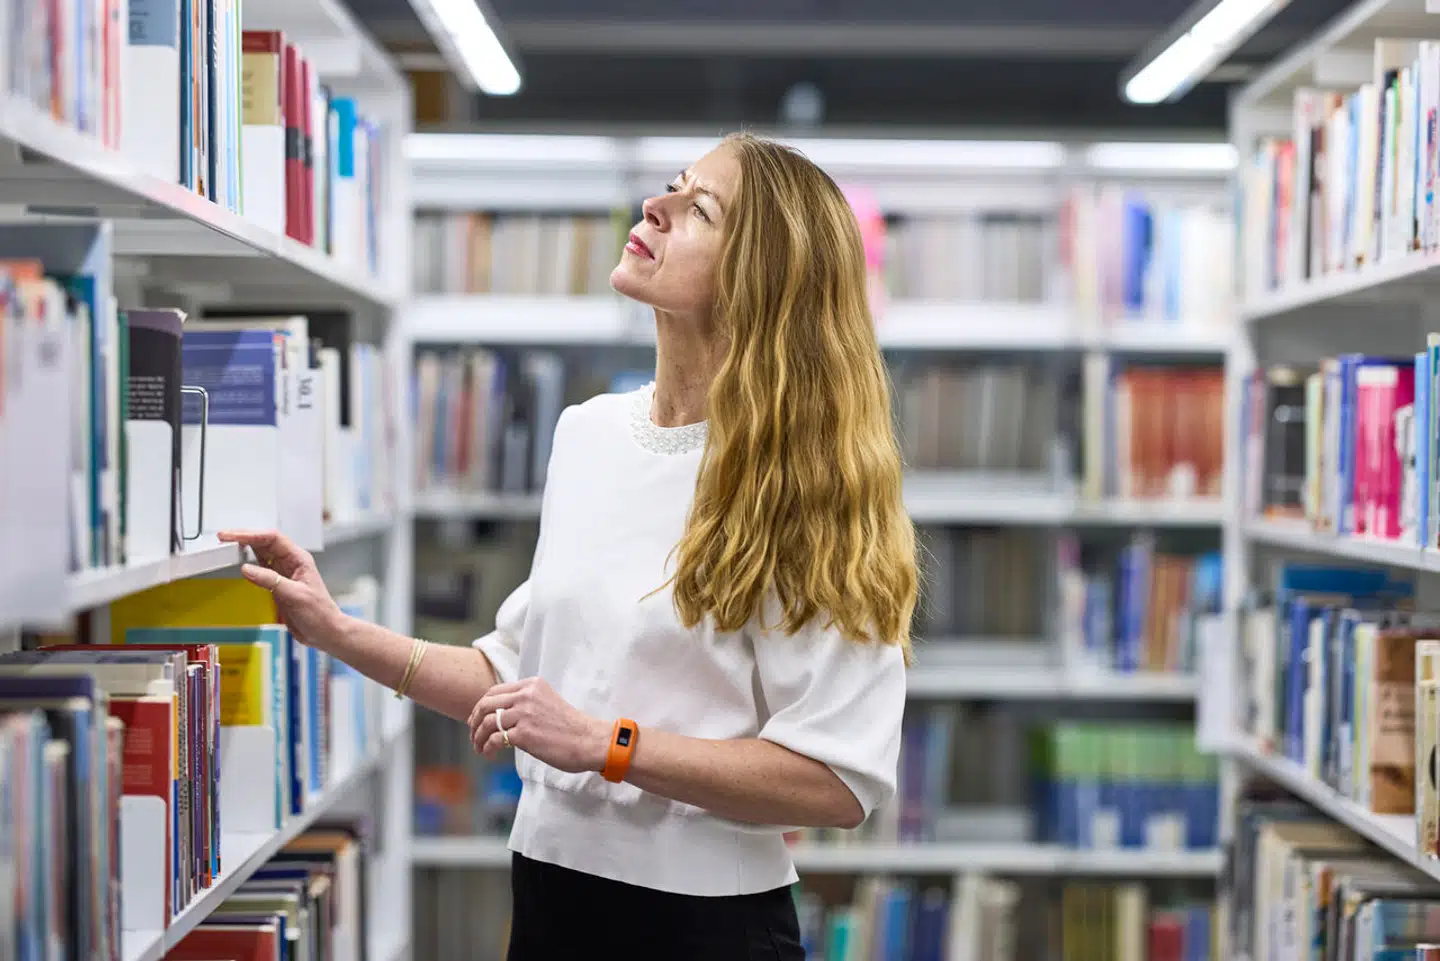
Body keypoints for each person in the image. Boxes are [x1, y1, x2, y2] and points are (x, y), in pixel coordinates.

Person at [220, 132, 917, 960]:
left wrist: (609, 745)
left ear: (758, 278)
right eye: (672, 185)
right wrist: (336, 630)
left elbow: (836, 781)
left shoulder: (802, 480)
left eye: (699, 210)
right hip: (548, 892)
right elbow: (516, 677)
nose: (655, 206)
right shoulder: (587, 433)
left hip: (705, 926)